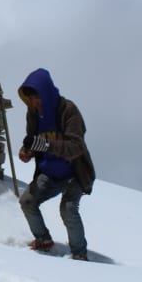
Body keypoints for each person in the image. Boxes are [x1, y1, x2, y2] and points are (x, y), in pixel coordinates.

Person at [16, 68, 95, 260]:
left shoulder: (67, 110)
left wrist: (45, 145)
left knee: (68, 209)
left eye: (38, 98)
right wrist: (28, 152)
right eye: (31, 99)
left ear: (48, 93)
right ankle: (43, 240)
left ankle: (79, 254)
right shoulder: (33, 114)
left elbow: (76, 147)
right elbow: (36, 141)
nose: (36, 103)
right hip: (49, 173)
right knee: (27, 202)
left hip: (74, 172)